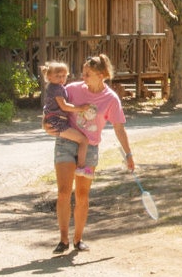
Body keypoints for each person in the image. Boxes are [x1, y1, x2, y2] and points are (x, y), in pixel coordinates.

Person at [53, 53, 135, 254]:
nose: (83, 77)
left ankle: (78, 239)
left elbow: (119, 128)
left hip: (89, 149)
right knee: (64, 192)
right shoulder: (72, 89)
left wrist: (129, 155)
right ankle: (63, 239)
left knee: (82, 195)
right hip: (66, 143)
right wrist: (47, 123)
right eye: (83, 73)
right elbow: (53, 105)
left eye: (87, 74)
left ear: (101, 75)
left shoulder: (111, 99)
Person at [40, 61, 92, 175]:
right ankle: (81, 167)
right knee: (83, 140)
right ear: (49, 77)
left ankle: (77, 164)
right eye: (57, 76)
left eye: (64, 76)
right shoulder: (56, 88)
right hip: (57, 121)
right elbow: (63, 106)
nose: (61, 79)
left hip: (55, 119)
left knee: (79, 139)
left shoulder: (55, 87)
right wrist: (80, 108)